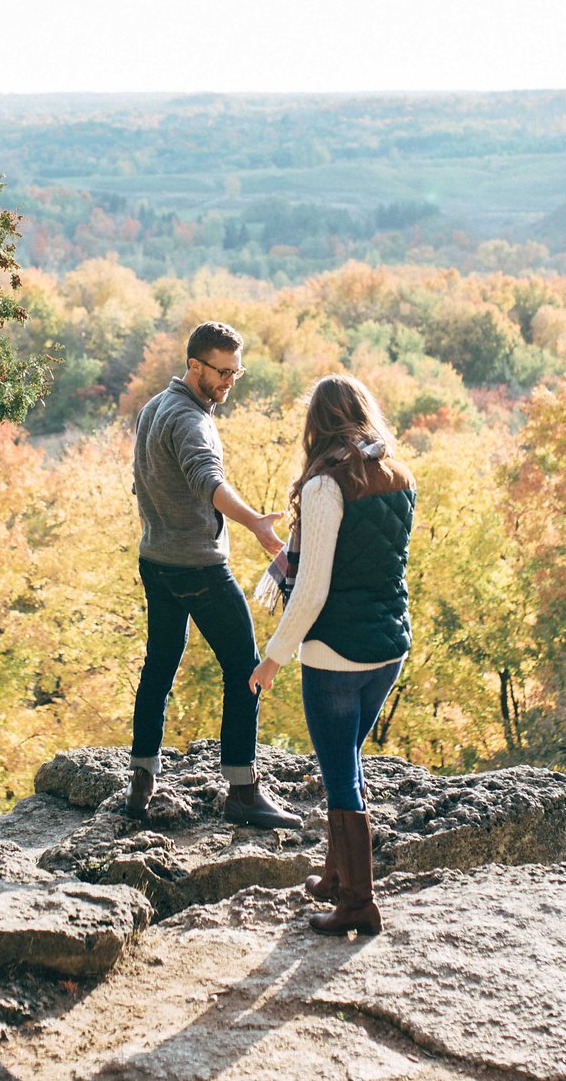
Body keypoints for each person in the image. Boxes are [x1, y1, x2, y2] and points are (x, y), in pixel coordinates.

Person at [248, 374, 415, 936]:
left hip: (337, 654)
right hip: (389, 648)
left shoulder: (325, 487)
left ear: (316, 425)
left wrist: (273, 655)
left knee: (342, 773)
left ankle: (358, 905)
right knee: (349, 761)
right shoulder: (397, 473)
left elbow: (313, 588)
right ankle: (336, 875)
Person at [127, 320, 303, 829]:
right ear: (194, 366)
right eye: (221, 372)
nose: (229, 381)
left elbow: (143, 482)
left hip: (155, 560)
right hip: (197, 566)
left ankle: (141, 780)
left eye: (236, 372)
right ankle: (243, 791)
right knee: (246, 669)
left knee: (158, 666)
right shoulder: (191, 421)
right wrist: (254, 523)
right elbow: (209, 481)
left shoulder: (151, 409)